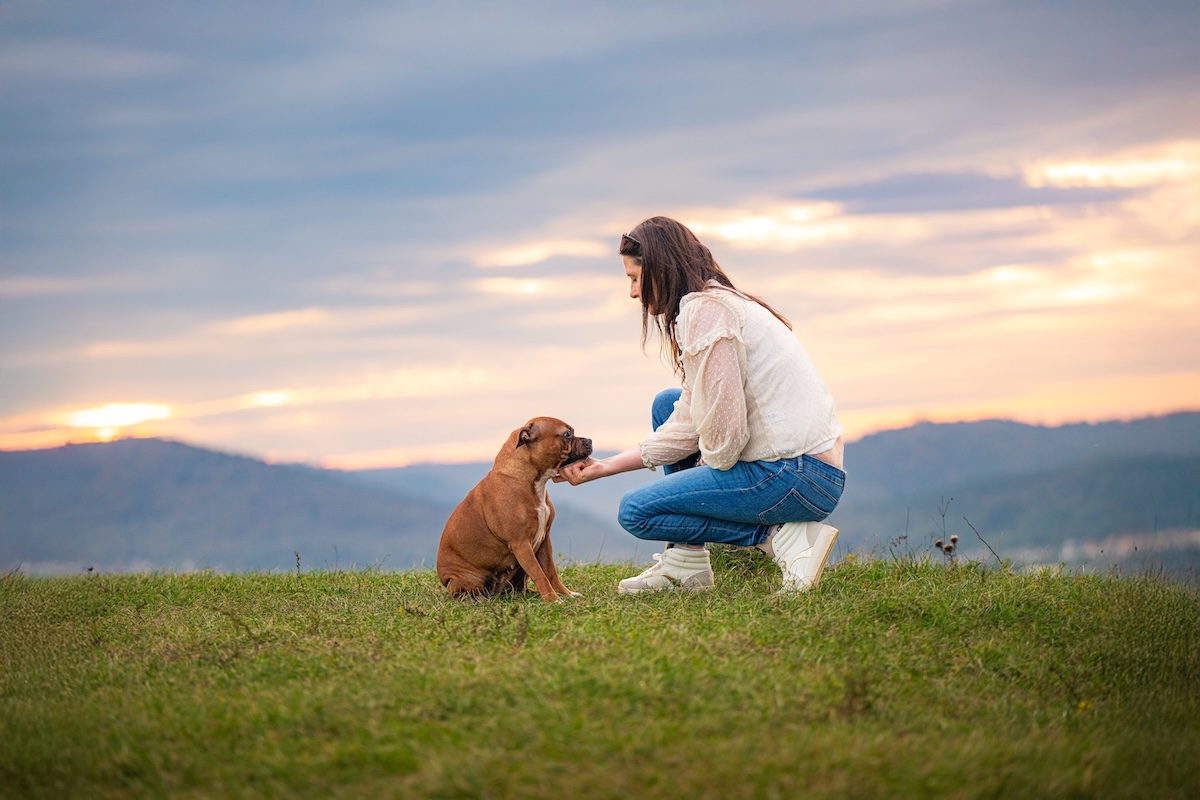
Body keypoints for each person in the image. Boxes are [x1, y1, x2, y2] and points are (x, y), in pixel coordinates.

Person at [556, 215, 846, 594]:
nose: (631, 292)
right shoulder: (710, 305)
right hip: (808, 473)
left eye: (634, 278)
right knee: (668, 404)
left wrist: (707, 460)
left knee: (636, 512)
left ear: (660, 269)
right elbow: (689, 423)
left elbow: (726, 438)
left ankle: (778, 539)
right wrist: (603, 467)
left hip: (795, 477)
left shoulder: (704, 311)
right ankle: (685, 564)